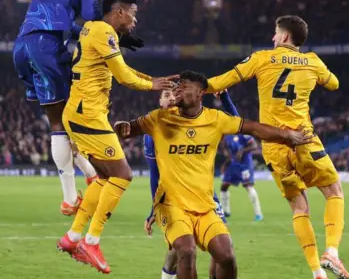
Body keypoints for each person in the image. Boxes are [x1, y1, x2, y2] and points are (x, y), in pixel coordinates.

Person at [114, 70, 314, 279]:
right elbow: (131, 128)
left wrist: (288, 136)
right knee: (186, 250)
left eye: (184, 88)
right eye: (177, 87)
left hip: (204, 204)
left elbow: (253, 128)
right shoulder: (158, 119)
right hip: (171, 204)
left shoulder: (215, 119)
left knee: (226, 256)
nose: (177, 91)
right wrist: (122, 128)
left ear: (200, 93)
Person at [205, 15, 349, 279]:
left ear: (284, 36)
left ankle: (317, 272)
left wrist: (191, 88)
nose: (273, 38)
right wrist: (312, 73)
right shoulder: (313, 61)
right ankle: (331, 251)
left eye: (275, 33)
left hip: (273, 145)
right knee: (334, 192)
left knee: (299, 207)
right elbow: (334, 83)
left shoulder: (261, 58)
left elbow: (219, 82)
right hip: (304, 140)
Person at [12, 0, 143, 215]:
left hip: (24, 44)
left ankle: (89, 174)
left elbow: (68, 24)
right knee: (63, 121)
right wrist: (115, 34)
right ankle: (70, 198)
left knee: (65, 117)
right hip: (47, 46)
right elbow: (92, 15)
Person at [55, 0, 175, 274]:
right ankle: (91, 241)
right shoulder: (104, 31)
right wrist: (152, 86)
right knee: (123, 175)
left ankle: (72, 238)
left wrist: (153, 79)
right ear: (119, 11)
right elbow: (122, 76)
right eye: (133, 13)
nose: (135, 19)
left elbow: (122, 68)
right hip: (88, 116)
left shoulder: (94, 28)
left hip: (82, 113)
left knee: (104, 178)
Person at [143, 86, 229, 279]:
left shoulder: (200, 121)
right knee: (185, 253)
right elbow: (155, 175)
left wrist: (225, 99)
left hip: (205, 197)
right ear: (160, 102)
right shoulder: (153, 131)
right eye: (167, 95)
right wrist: (153, 210)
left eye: (176, 94)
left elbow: (236, 124)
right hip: (174, 201)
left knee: (222, 251)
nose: (172, 98)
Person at [218, 92, 263, 221]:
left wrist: (242, 151)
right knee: (224, 185)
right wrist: (226, 158)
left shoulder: (242, 129)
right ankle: (226, 211)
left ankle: (258, 214)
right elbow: (225, 147)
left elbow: (254, 146)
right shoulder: (226, 133)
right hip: (233, 164)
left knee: (248, 186)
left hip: (244, 163)